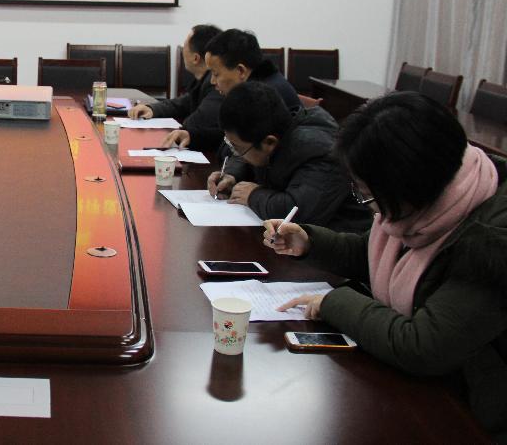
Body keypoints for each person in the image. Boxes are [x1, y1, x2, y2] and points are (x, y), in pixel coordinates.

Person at [264, 92, 507, 439]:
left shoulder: (494, 240)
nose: (369, 206)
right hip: (432, 389)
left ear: (412, 186)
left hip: (472, 415)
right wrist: (310, 242)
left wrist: (334, 302)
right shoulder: (432, 203)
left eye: (370, 194)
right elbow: (377, 255)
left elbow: (424, 345)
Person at [207, 82, 371, 232]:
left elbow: (296, 213)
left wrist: (253, 196)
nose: (235, 152)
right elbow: (245, 153)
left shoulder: (321, 153)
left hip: (341, 240)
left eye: (236, 147)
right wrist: (232, 175)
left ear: (269, 142)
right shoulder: (274, 130)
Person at [128, 24, 223, 151]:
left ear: (195, 58)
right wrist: (152, 109)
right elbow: (182, 103)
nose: (183, 51)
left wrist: (179, 130)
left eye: (185, 46)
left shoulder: (217, 85)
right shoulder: (204, 80)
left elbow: (193, 124)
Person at [202, 29, 301, 110]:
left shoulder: (259, 100)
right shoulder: (269, 80)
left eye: (216, 74)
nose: (212, 81)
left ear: (241, 71)